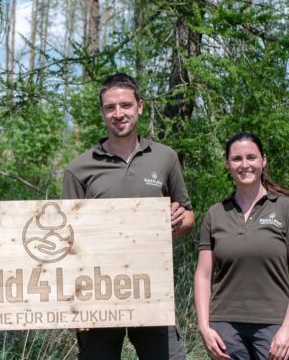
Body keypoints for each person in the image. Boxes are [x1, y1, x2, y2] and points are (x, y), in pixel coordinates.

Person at [62, 73, 195, 359]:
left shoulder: (165, 157)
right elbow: (66, 243)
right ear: (102, 112)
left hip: (152, 289)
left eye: (125, 105)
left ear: (140, 106)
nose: (118, 114)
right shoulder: (79, 168)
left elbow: (189, 217)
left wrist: (178, 220)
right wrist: (72, 305)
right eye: (110, 107)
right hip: (96, 293)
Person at [194, 132, 289, 360]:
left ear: (263, 160)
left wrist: (288, 328)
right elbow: (203, 275)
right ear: (227, 163)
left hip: (275, 324)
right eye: (237, 159)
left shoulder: (287, 209)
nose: (244, 164)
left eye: (251, 157)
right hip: (225, 326)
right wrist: (204, 327)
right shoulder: (215, 213)